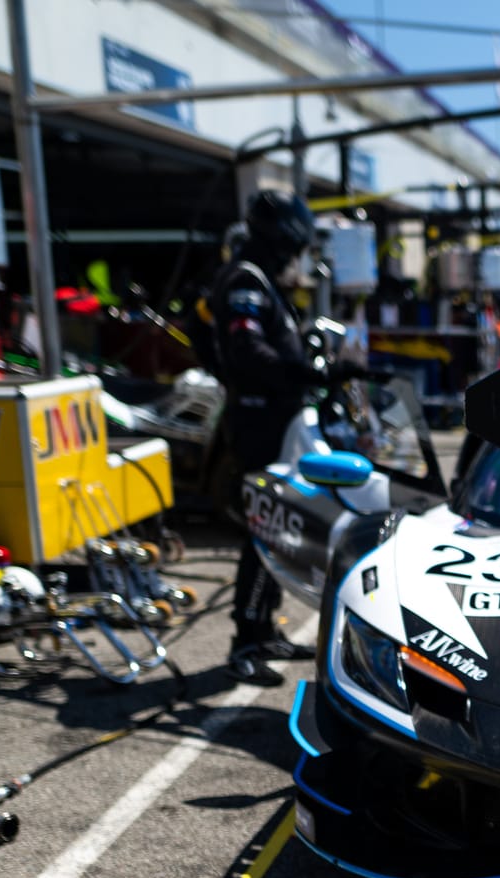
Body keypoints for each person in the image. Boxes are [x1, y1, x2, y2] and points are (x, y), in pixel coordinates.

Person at [208, 188, 329, 685]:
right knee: (264, 527)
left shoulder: (259, 277)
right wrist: (302, 373)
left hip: (273, 419)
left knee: (276, 526)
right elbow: (246, 348)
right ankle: (245, 641)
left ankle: (263, 630)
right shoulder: (246, 278)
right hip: (257, 422)